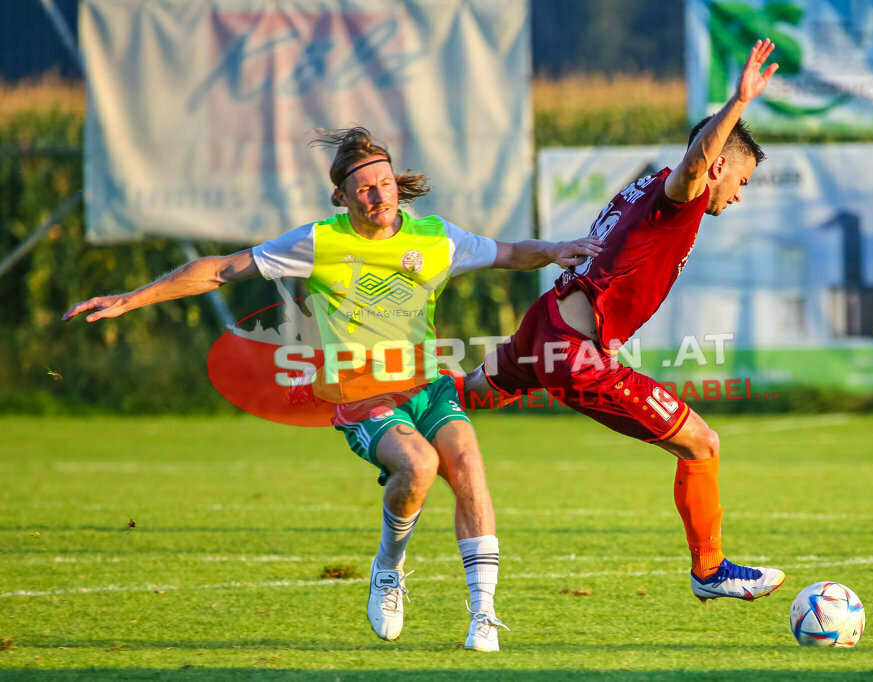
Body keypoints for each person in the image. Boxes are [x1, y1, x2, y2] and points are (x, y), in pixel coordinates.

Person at [63, 126, 601, 650]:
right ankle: (388, 566)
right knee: (418, 467)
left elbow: (509, 253)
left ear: (396, 184)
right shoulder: (319, 241)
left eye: (384, 183)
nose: (378, 196)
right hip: (358, 395)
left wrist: (556, 249)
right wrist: (130, 299)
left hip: (426, 384)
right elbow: (223, 270)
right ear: (340, 196)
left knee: (466, 462)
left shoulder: (436, 237)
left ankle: (483, 616)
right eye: (364, 189)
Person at [460, 39, 785, 603]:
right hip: (577, 353)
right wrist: (736, 102)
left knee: (467, 393)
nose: (739, 196)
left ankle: (391, 415)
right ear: (721, 165)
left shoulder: (645, 185)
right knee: (702, 445)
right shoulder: (680, 192)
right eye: (743, 181)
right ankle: (710, 571)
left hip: (547, 322)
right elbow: (695, 164)